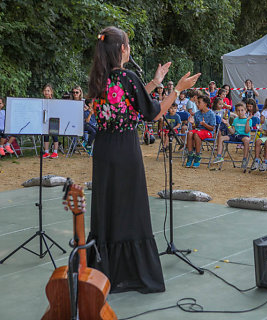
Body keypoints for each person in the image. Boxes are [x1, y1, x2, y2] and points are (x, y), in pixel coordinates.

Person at [86, 26, 200, 293]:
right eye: (128, 44)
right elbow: (153, 113)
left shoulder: (100, 78)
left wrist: (156, 81)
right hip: (125, 151)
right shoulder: (127, 77)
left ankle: (105, 270)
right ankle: (134, 274)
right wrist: (178, 90)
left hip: (103, 150)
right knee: (129, 210)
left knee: (108, 208)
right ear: (123, 48)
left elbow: (126, 101)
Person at [212, 102, 252, 169]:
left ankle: (245, 159)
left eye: (242, 110)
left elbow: (247, 131)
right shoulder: (235, 120)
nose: (240, 112)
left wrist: (247, 121)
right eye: (238, 111)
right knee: (221, 138)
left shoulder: (248, 120)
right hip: (236, 135)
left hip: (244, 136)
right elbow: (233, 132)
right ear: (236, 112)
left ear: (245, 110)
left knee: (247, 140)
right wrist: (228, 125)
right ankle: (219, 156)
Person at [185, 95, 216, 168]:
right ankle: (190, 155)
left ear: (205, 104)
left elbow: (212, 128)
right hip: (198, 130)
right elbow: (195, 127)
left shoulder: (211, 113)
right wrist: (193, 123)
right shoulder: (197, 113)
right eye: (197, 103)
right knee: (190, 133)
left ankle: (197, 156)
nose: (197, 104)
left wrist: (205, 124)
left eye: (199, 103)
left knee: (196, 134)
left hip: (208, 132)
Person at [42, 84, 59, 159]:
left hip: (53, 120)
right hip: (45, 120)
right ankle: (46, 152)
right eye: (45, 91)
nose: (46, 92)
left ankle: (55, 152)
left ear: (51, 92)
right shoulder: (42, 101)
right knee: (46, 136)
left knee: (54, 136)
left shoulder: (54, 101)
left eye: (48, 91)